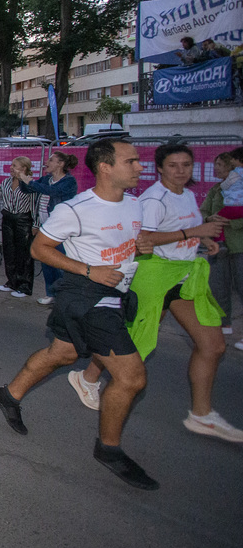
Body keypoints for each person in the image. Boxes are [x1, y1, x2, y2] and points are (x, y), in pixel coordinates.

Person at [0, 139, 158, 490]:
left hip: (115, 294)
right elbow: (39, 249)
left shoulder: (134, 204)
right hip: (85, 296)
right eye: (132, 161)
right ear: (105, 167)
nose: (140, 167)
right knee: (131, 378)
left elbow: (132, 236)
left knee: (63, 353)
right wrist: (88, 270)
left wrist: (143, 241)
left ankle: (8, 395)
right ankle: (108, 450)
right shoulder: (77, 207)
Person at [68, 144, 241, 442]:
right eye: (173, 165)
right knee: (133, 340)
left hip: (183, 276)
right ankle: (87, 378)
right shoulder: (153, 199)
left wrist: (202, 240)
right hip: (153, 275)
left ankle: (202, 414)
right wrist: (194, 234)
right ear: (160, 168)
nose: (181, 170)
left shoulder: (186, 195)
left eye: (186, 164)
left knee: (213, 346)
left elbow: (184, 228)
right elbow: (144, 239)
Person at [22, 151, 79, 305]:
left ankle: (63, 295)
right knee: (46, 260)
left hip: (61, 227)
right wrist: (22, 177)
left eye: (51, 160)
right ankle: (50, 293)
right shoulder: (47, 179)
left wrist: (30, 182)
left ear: (60, 164)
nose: (47, 162)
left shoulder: (69, 181)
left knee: (60, 261)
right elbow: (29, 189)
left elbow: (51, 191)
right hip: (45, 226)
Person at [203, 152, 243, 341]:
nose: (216, 168)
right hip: (217, 244)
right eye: (215, 164)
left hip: (239, 245)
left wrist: (232, 223)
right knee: (218, 287)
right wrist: (209, 219)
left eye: (219, 164)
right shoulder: (216, 189)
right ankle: (222, 324)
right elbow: (203, 211)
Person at [0, 157, 39, 298]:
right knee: (9, 251)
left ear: (24, 169)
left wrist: (35, 224)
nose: (11, 168)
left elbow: (35, 205)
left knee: (24, 253)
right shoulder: (6, 182)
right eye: (12, 165)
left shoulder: (30, 184)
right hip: (8, 218)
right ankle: (12, 281)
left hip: (23, 220)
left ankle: (24, 285)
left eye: (15, 166)